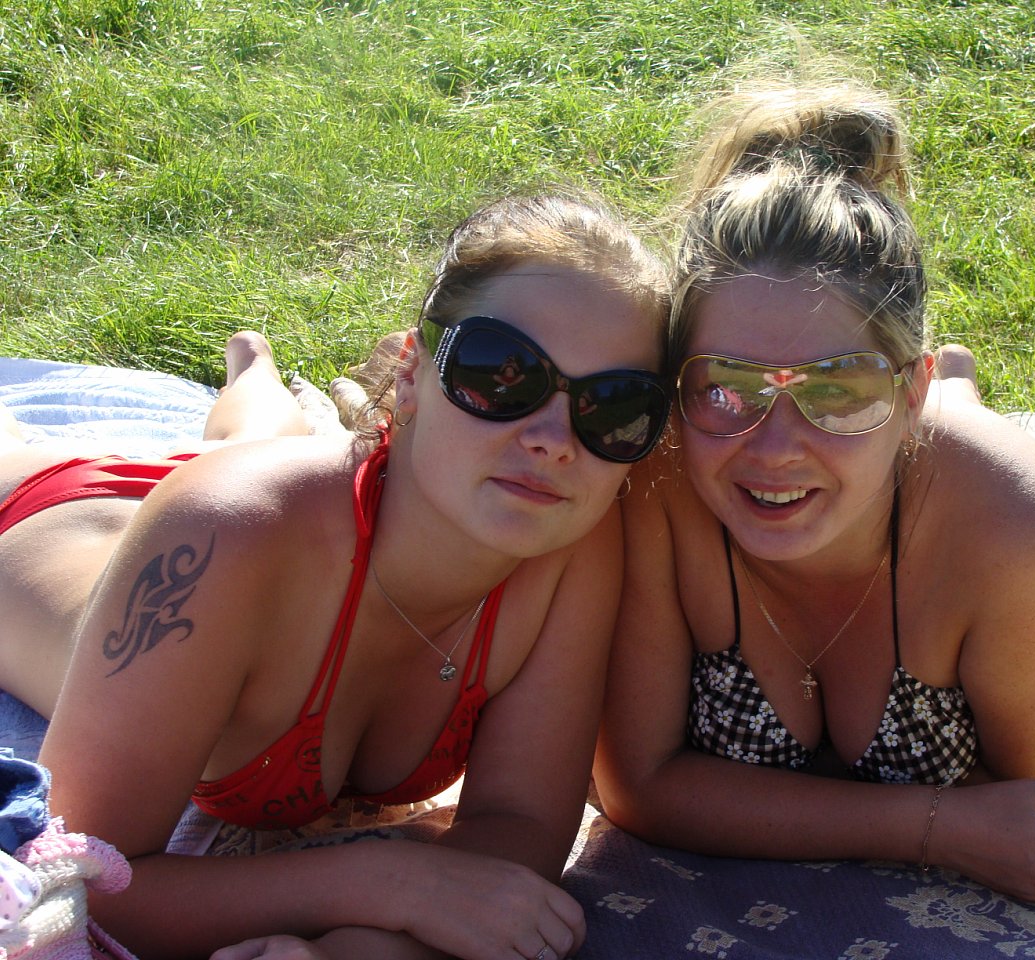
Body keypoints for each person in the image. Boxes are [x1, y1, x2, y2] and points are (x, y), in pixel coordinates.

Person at [0, 191, 671, 958]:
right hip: (46, 512)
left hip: (274, 496)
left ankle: (253, 372)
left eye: (615, 406)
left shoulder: (571, 536)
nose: (554, 439)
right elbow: (78, 883)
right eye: (501, 374)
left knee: (252, 439)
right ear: (411, 373)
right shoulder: (225, 537)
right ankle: (251, 384)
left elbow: (519, 831)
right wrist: (387, 882)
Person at [591, 83, 1035, 903]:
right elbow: (638, 787)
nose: (774, 448)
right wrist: (939, 828)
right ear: (678, 387)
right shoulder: (657, 484)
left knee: (960, 431)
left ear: (907, 390)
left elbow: (1021, 805)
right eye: (728, 386)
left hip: (945, 456)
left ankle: (958, 391)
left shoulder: (1026, 532)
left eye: (838, 389)